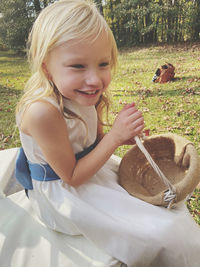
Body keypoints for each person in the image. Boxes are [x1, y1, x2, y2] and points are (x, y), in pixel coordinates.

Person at [15, 1, 200, 266]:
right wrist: (114, 138)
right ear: (46, 67)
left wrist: (119, 137)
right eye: (78, 66)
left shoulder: (83, 93)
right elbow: (72, 177)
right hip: (64, 194)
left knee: (171, 212)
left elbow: (93, 143)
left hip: (91, 172)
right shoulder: (42, 112)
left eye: (103, 64)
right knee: (162, 232)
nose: (95, 79)